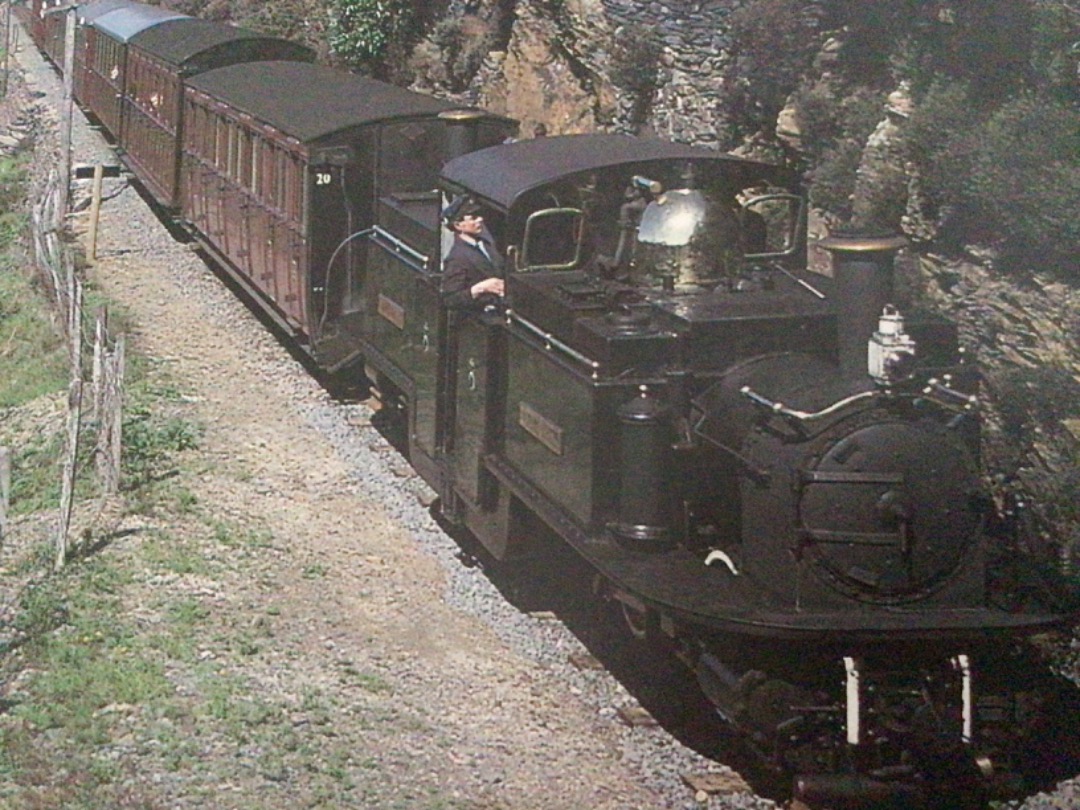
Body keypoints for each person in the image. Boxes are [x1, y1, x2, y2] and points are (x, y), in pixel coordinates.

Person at [441, 197, 505, 310]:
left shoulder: (487, 243)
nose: (480, 219)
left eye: (479, 216)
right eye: (473, 218)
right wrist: (480, 288)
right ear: (458, 225)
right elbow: (450, 299)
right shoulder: (457, 258)